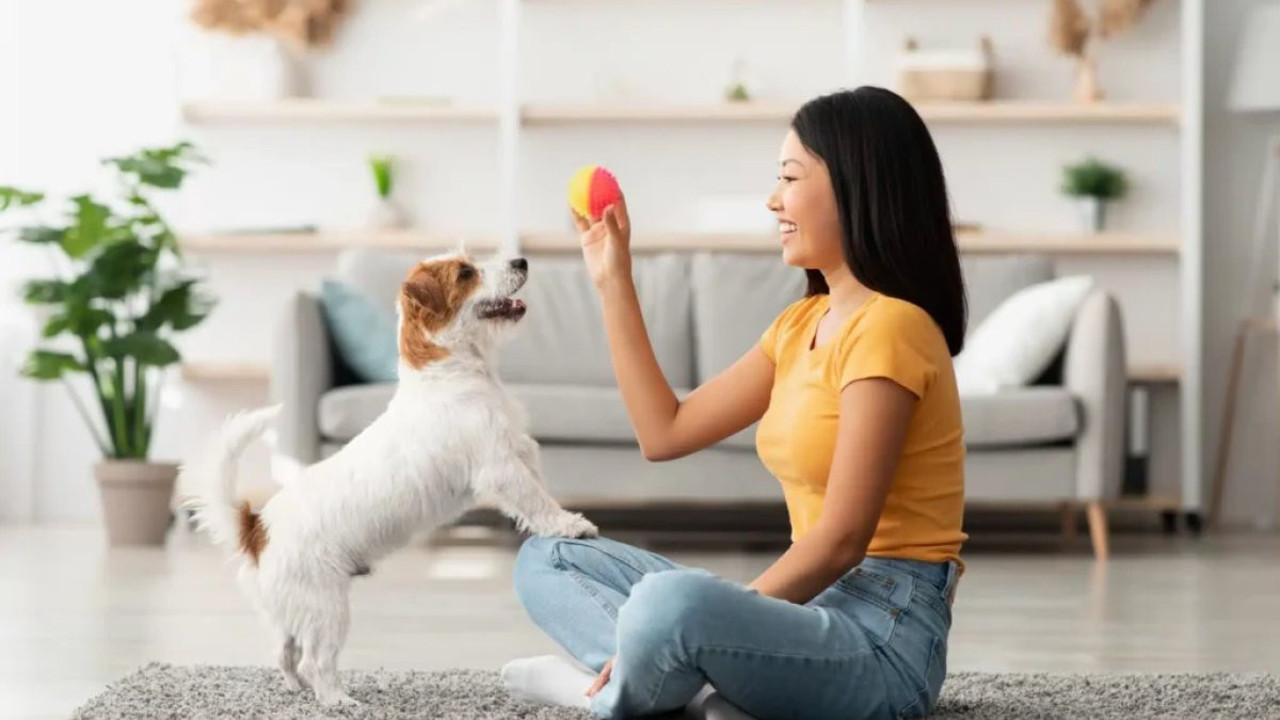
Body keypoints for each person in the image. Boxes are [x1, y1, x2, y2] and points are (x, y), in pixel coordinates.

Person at [501, 86, 969, 720]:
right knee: (548, 557)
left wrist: (713, 618)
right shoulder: (800, 324)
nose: (773, 200)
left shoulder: (892, 327)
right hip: (808, 615)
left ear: (858, 186)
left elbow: (841, 541)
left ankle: (617, 695)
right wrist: (613, 279)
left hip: (883, 641)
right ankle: (703, 697)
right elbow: (663, 433)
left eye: (789, 177)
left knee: (672, 606)